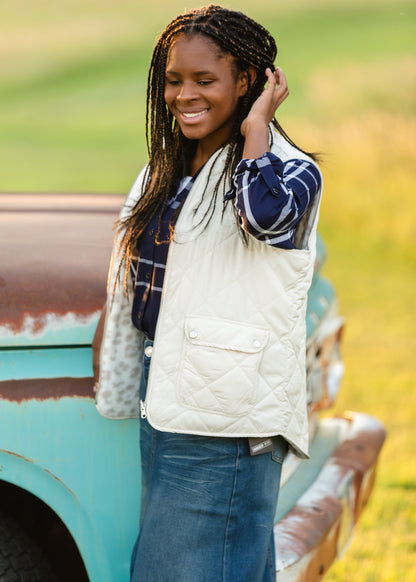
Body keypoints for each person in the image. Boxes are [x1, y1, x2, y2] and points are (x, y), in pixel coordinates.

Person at [94, 5, 323, 581]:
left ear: (246, 81)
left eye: (204, 80)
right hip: (170, 398)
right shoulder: (167, 167)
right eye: (173, 80)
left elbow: (263, 219)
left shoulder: (288, 171)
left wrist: (257, 132)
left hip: (227, 419)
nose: (183, 95)